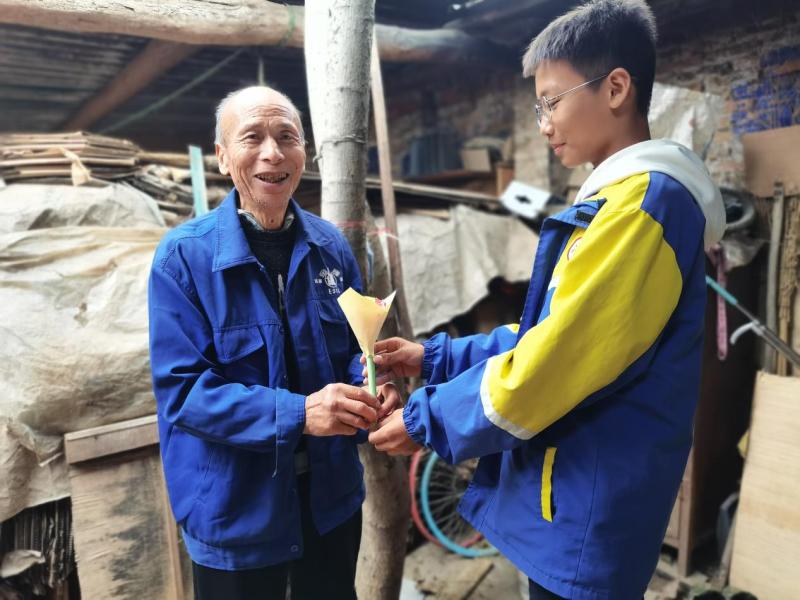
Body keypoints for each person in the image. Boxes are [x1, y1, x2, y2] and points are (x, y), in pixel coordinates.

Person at [367, 1, 726, 598]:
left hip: (589, 506)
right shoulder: (616, 201)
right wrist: (433, 358)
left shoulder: (643, 209)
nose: (543, 124)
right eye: (540, 107)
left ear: (616, 88)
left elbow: (553, 362)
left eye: (552, 101)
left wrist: (426, 419)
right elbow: (549, 332)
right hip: (574, 495)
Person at [148, 86, 399, 600]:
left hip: (329, 501)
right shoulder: (183, 259)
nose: (273, 153)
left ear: (304, 152)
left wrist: (370, 383)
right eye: (252, 138)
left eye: (287, 137)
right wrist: (300, 413)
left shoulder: (330, 247)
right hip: (235, 510)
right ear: (223, 157)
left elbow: (352, 350)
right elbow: (184, 393)